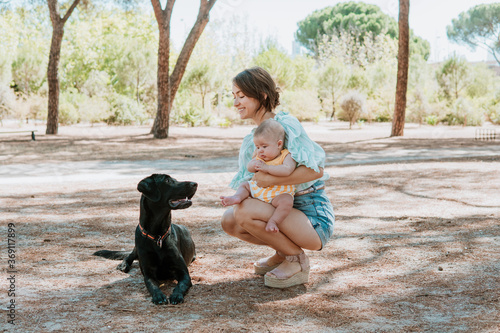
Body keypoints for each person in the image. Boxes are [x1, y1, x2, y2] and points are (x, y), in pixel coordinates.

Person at [220, 66, 335, 289]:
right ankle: (283, 252)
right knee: (230, 220)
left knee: (245, 211)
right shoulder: (251, 142)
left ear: (262, 95)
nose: (235, 103)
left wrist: (272, 180)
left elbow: (316, 171)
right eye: (234, 96)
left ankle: (296, 260)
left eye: (241, 96)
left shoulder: (286, 127)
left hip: (312, 216)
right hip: (282, 212)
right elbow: (252, 186)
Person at [221, 118, 297, 233]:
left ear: (279, 144)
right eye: (257, 147)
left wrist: (267, 168)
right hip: (258, 190)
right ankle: (237, 197)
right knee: (245, 185)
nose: (260, 151)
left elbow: (287, 170)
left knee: (287, 202)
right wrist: (253, 164)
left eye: (264, 146)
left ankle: (274, 221)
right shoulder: (260, 157)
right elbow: (249, 168)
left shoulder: (286, 156)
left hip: (278, 194)